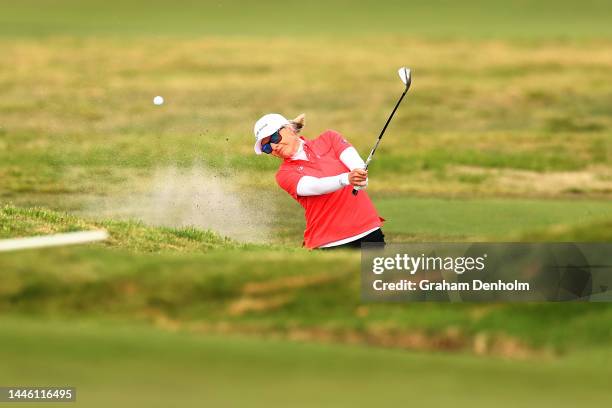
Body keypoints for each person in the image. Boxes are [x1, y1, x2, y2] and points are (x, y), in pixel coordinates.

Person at [253, 113, 385, 249]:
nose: (274, 146)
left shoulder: (329, 138)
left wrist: (361, 177)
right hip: (329, 242)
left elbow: (355, 163)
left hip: (369, 230)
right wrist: (346, 178)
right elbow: (314, 186)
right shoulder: (284, 175)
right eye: (266, 147)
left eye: (274, 137)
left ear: (289, 129)